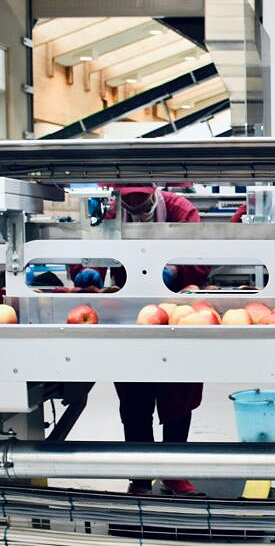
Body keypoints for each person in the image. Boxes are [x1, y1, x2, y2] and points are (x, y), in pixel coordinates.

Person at [108, 185, 210, 495]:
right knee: (134, 398)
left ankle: (173, 472)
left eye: (144, 202)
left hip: (176, 312)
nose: (138, 210)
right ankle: (140, 477)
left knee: (178, 394)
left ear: (155, 191)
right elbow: (88, 248)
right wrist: (86, 269)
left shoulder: (181, 211)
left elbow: (202, 258)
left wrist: (176, 270)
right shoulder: (111, 214)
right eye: (131, 204)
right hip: (129, 313)